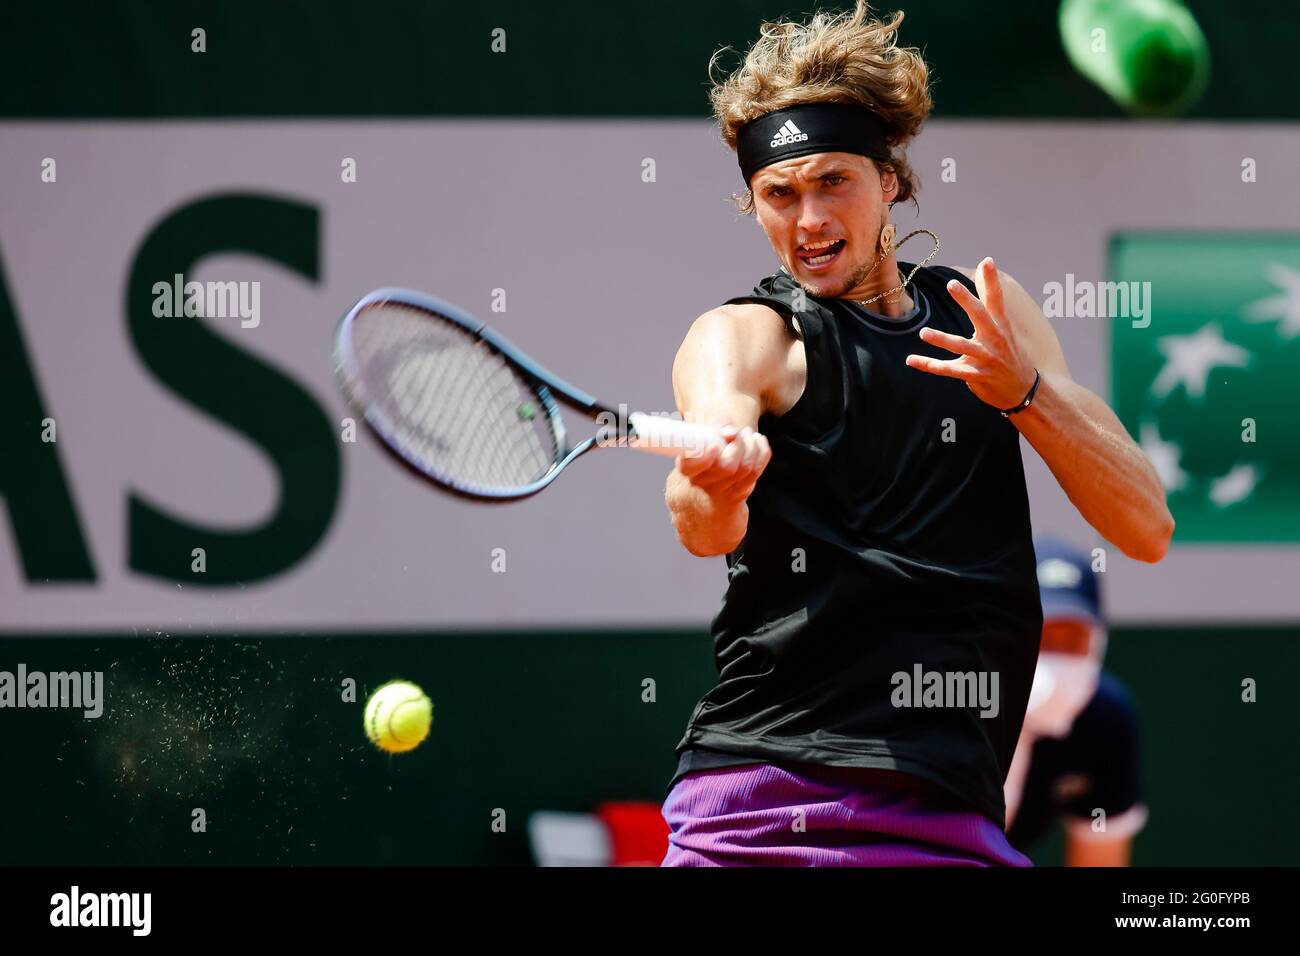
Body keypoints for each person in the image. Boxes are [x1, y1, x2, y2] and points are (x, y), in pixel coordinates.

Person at [660, 1, 1173, 866]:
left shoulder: (991, 317)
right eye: (779, 194)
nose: (809, 219)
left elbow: (1147, 527)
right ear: (753, 204)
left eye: (835, 182)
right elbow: (703, 522)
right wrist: (712, 481)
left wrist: (1028, 396)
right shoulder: (743, 338)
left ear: (889, 181)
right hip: (761, 804)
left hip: (951, 816)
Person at [1005, 537, 1148, 866]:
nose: (1054, 655)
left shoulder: (1105, 719)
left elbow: (1099, 859)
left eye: (1073, 638)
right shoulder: (949, 700)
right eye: (1040, 634)